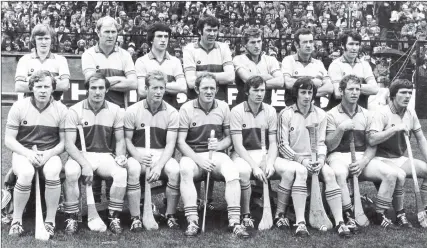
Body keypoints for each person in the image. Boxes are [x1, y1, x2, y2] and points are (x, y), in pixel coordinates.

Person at [178, 73, 249, 238]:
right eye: (205, 88)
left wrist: (219, 145)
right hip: (194, 155)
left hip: (216, 154)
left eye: (212, 88)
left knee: (232, 171)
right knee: (185, 169)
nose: (209, 91)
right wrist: (199, 160)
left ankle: (235, 222)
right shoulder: (186, 108)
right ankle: (192, 220)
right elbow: (181, 142)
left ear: (217, 89)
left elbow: (229, 137)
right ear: (197, 89)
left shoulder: (223, 107)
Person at [326, 75, 401, 231]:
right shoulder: (331, 114)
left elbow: (372, 144)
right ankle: (349, 215)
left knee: (390, 174)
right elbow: (330, 146)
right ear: (341, 91)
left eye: (357, 89)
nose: (355, 93)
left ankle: (380, 214)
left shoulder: (368, 114)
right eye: (350, 89)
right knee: (339, 173)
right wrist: (340, 129)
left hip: (361, 156)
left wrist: (363, 162)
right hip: (338, 156)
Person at [277, 77, 350, 237]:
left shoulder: (321, 114)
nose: (307, 96)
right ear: (296, 93)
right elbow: (282, 145)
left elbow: (322, 142)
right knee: (301, 172)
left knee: (330, 174)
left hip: (315, 159)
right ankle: (300, 222)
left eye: (310, 92)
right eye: (303, 92)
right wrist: (302, 160)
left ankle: (340, 222)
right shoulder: (286, 113)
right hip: (291, 159)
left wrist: (321, 159)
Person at [62, 72, 128, 234]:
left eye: (101, 88)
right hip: (80, 156)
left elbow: (120, 140)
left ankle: (113, 216)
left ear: (107, 90)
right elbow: (69, 144)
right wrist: (84, 164)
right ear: (87, 90)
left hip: (104, 155)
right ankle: (72, 217)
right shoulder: (74, 111)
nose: (97, 92)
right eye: (93, 88)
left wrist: (120, 156)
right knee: (70, 171)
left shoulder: (116, 110)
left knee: (120, 172)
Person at [6, 70, 67, 237]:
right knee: (26, 173)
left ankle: (50, 221)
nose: (42, 90)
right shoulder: (19, 107)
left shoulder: (61, 109)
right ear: (31, 88)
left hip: (50, 152)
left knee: (52, 171)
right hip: (23, 152)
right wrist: (27, 154)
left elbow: (63, 143)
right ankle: (16, 220)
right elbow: (9, 140)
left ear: (53, 89)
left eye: (47, 86)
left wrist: (48, 154)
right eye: (38, 86)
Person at [230, 75, 293, 230]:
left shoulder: (270, 110)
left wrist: (270, 163)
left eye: (262, 90)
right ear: (247, 92)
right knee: (243, 172)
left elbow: (273, 143)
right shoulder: (237, 111)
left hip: (265, 153)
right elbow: (238, 146)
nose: (259, 94)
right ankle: (246, 214)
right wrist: (255, 167)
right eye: (255, 90)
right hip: (242, 154)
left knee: (289, 170)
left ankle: (279, 214)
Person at [124, 70, 181, 231]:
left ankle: (170, 215)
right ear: (146, 88)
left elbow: (171, 145)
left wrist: (158, 166)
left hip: (161, 153)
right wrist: (139, 157)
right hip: (138, 153)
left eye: (161, 88)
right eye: (154, 88)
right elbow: (127, 140)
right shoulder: (133, 111)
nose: (158, 92)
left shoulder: (172, 112)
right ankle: (135, 217)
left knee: (175, 170)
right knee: (134, 169)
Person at [369, 79, 427, 228]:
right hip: (379, 159)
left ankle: (424, 209)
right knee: (399, 174)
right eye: (403, 92)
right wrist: (394, 129)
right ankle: (400, 214)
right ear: (393, 95)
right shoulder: (382, 113)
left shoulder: (410, 112)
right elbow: (372, 139)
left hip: (399, 158)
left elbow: (420, 139)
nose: (407, 96)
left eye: (410, 93)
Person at [81, 16, 137, 108]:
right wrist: (120, 79)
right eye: (107, 32)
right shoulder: (88, 54)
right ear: (98, 33)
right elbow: (91, 82)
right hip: (94, 110)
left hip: (120, 110)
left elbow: (133, 83)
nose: (110, 36)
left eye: (113, 32)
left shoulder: (125, 55)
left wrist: (101, 83)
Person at [183, 15, 235, 102]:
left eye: (215, 30)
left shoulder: (224, 47)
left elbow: (230, 77)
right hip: (195, 102)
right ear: (200, 31)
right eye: (208, 30)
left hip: (219, 102)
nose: (212, 34)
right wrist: (220, 77)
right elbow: (191, 83)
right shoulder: (189, 49)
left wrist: (199, 74)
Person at [135, 23, 187, 109]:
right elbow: (142, 91)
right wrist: (172, 86)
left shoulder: (175, 61)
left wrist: (153, 86)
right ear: (151, 39)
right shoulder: (141, 61)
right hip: (146, 112)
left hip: (171, 111)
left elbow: (182, 87)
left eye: (166, 37)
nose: (163, 40)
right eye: (159, 36)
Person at [15, 24, 70, 101]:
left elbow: (65, 85)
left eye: (47, 38)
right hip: (30, 107)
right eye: (40, 39)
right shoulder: (24, 59)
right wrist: (52, 81)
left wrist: (31, 81)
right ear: (34, 40)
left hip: (53, 106)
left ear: (52, 40)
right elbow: (19, 86)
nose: (43, 42)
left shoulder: (61, 60)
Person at [326, 31, 379, 110]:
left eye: (357, 44)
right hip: (340, 113)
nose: (354, 48)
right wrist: (363, 88)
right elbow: (337, 93)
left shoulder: (365, 65)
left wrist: (348, 88)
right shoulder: (335, 65)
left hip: (361, 112)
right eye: (351, 44)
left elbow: (375, 89)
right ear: (342, 46)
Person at [281, 28, 333, 107]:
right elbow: (288, 83)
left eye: (311, 42)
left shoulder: (318, 63)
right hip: (293, 111)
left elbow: (329, 88)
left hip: (314, 112)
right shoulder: (288, 60)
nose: (309, 45)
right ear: (296, 44)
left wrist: (303, 92)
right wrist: (313, 82)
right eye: (305, 42)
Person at [232, 28, 284, 105]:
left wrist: (255, 81)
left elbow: (280, 81)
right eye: (252, 42)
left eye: (259, 41)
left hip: (265, 106)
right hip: (243, 106)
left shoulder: (271, 60)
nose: (256, 46)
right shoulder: (238, 59)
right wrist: (269, 76)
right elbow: (248, 79)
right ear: (245, 45)